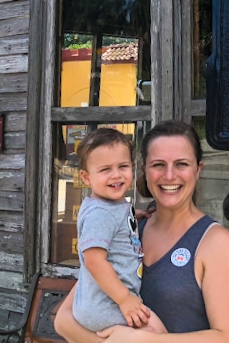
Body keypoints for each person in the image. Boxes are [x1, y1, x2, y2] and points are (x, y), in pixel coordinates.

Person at [55, 121, 229, 342]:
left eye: (181, 164)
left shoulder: (215, 243)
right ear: (144, 169)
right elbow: (63, 319)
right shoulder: (128, 230)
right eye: (158, 165)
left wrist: (141, 340)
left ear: (198, 170)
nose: (169, 175)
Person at [73, 128, 152, 331]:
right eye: (105, 169)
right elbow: (93, 260)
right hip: (107, 305)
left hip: (104, 302)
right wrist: (125, 299)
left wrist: (134, 215)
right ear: (86, 177)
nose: (116, 175)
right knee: (155, 330)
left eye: (123, 166)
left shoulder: (110, 206)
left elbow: (113, 223)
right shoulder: (100, 214)